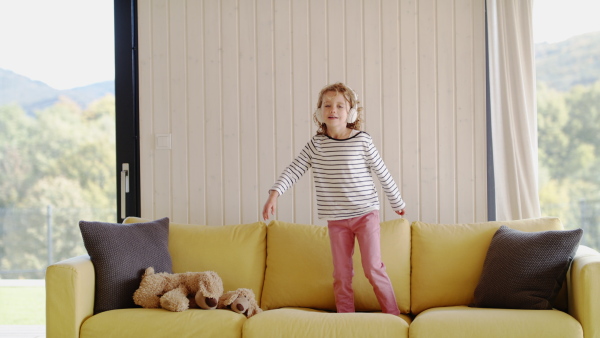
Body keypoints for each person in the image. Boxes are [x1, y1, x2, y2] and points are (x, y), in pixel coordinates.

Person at [262, 82, 406, 315]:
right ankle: (344, 319)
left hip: (365, 214)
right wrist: (274, 194)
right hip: (337, 220)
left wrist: (397, 202)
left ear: (351, 113)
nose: (333, 109)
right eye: (327, 105)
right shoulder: (316, 144)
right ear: (319, 112)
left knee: (372, 268)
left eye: (340, 105)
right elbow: (294, 169)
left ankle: (393, 316)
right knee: (341, 274)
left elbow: (383, 172)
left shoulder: (362, 140)